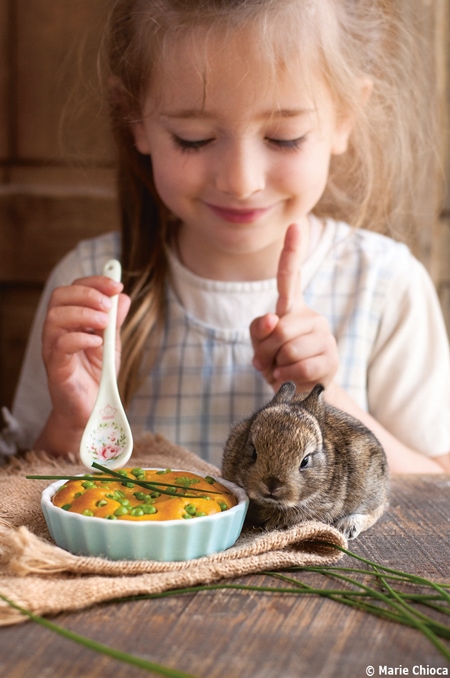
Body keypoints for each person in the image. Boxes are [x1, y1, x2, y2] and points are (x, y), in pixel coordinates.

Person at [11, 0, 450, 472]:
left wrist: (326, 398)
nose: (241, 182)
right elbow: (22, 490)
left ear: (344, 118)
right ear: (134, 119)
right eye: (193, 138)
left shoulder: (383, 286)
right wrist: (72, 421)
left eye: (284, 137)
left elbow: (437, 492)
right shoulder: (88, 286)